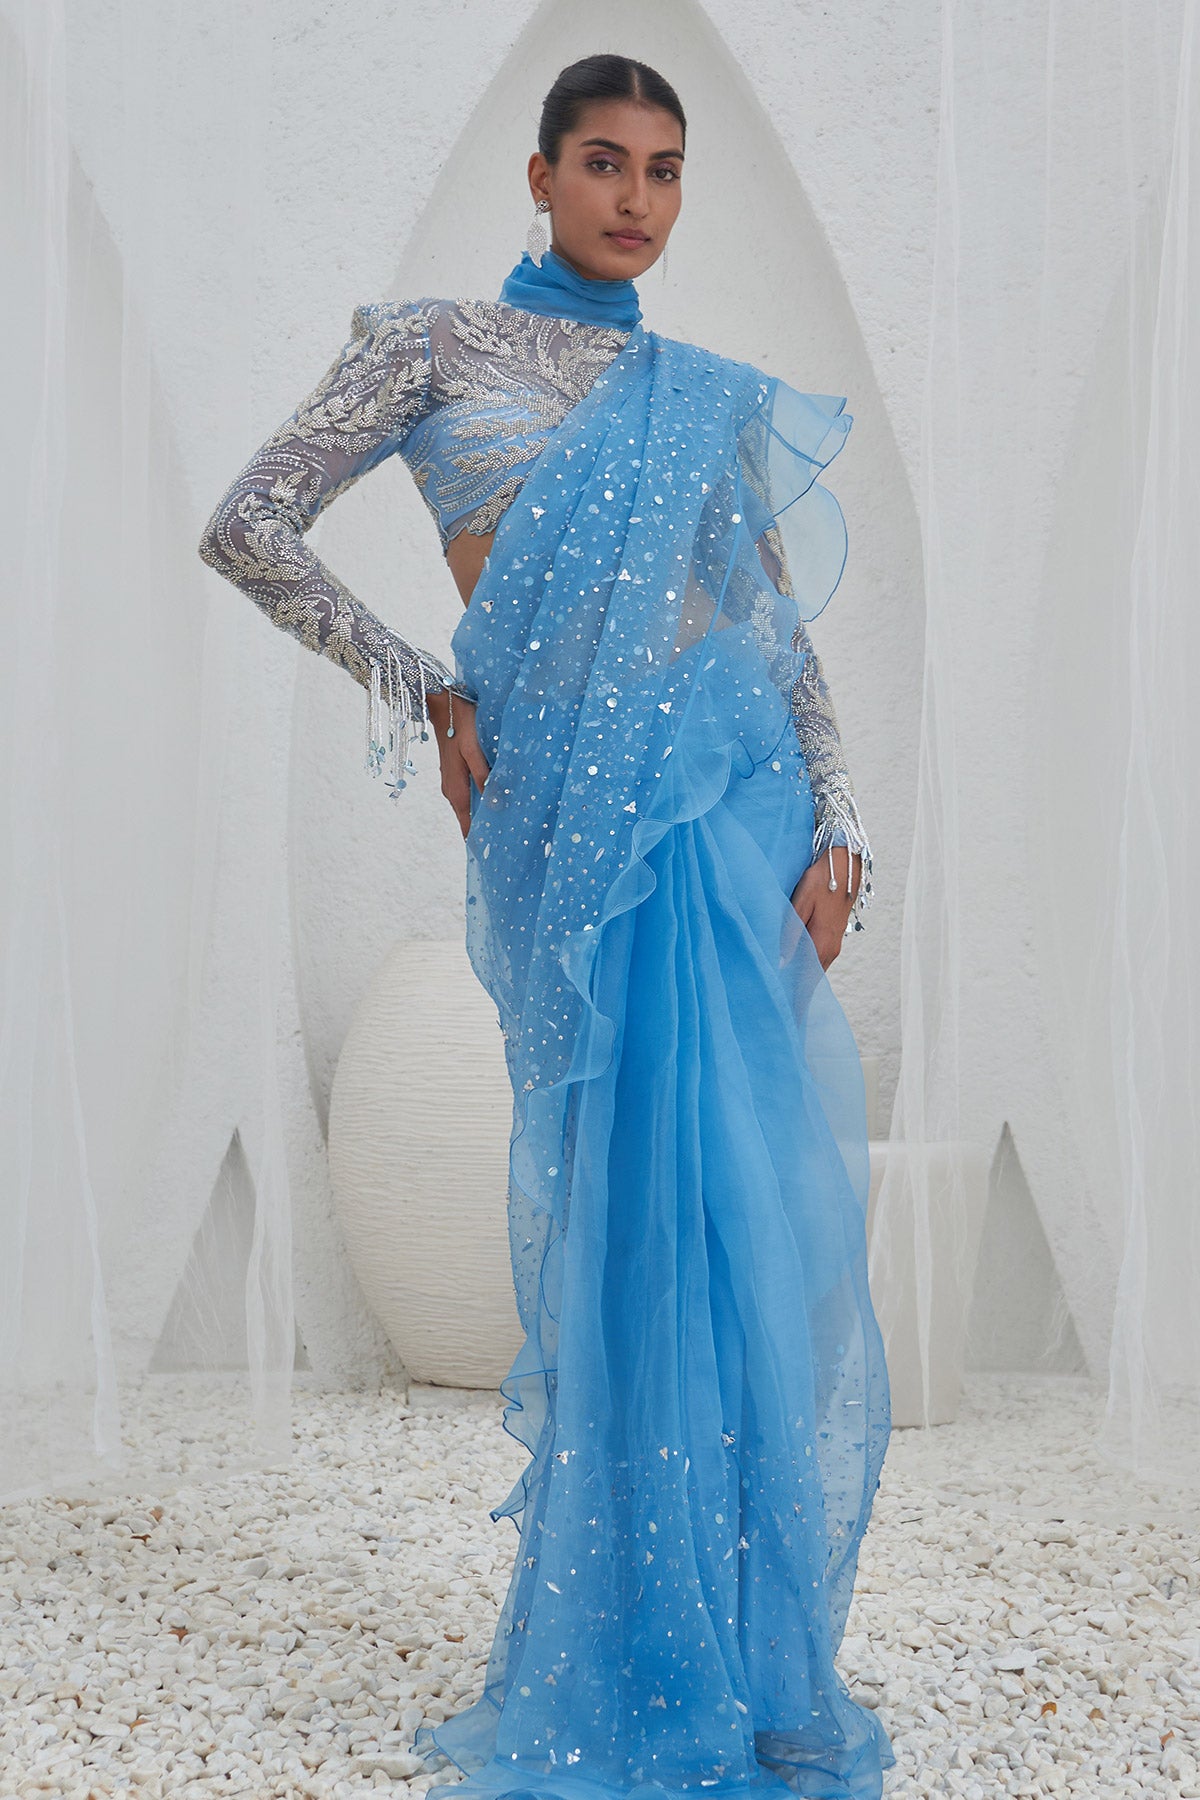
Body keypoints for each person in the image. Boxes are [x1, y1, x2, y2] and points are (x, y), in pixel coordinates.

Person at [198, 51, 892, 1800]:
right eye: (602, 162)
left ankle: (748, 1660)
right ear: (539, 173)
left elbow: (772, 629)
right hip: (576, 832)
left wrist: (839, 817)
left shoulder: (696, 392)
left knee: (729, 1225)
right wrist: (422, 683)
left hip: (726, 821)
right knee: (621, 1224)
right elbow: (249, 524)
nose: (635, 199)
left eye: (663, 169)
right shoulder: (432, 347)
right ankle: (634, 1650)